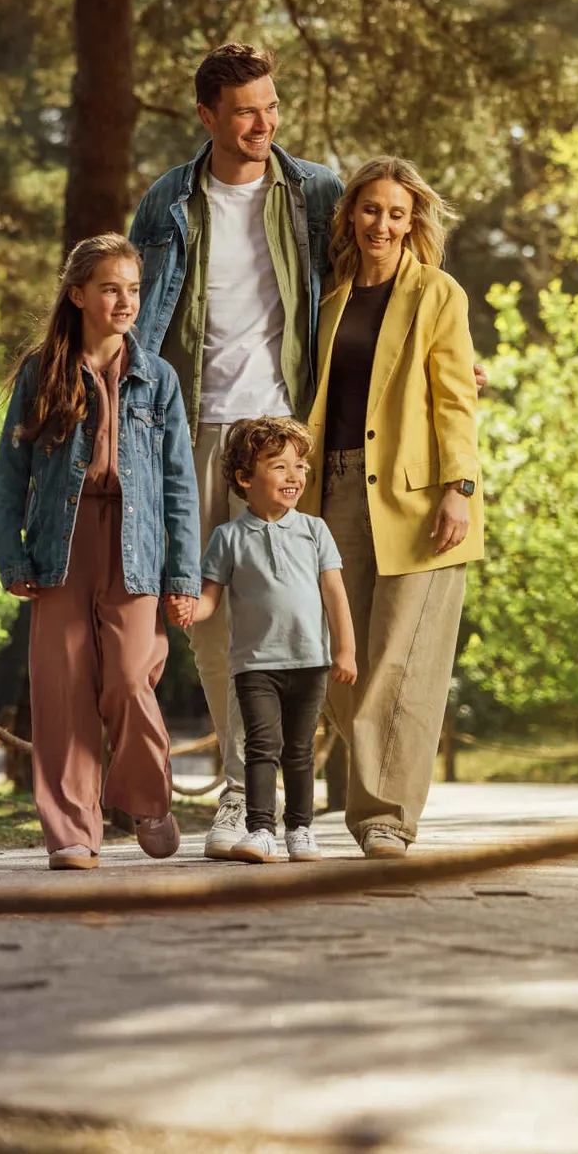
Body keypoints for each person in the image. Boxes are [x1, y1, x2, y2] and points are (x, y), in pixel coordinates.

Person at [127, 44, 345, 858]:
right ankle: (238, 800)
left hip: (287, 427)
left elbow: (379, 275)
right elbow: (134, 316)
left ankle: (288, 803)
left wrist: (448, 348)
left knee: (297, 619)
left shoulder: (316, 191)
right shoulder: (168, 202)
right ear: (208, 116)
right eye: (247, 110)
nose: (265, 123)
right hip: (194, 432)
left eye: (272, 105)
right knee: (211, 626)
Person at [0, 233, 203, 870]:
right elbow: (10, 474)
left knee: (132, 678)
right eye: (111, 288)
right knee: (62, 689)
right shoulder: (41, 373)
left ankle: (146, 796)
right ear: (78, 295)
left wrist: (183, 574)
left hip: (135, 546)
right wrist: (11, 555)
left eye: (133, 289)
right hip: (60, 545)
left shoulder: (156, 378)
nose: (125, 301)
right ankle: (73, 833)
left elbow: (178, 485)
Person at [300, 158, 484, 859]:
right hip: (334, 490)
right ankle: (375, 792)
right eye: (371, 209)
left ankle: (386, 817)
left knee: (403, 661)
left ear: (414, 224)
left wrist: (458, 489)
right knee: (340, 660)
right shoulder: (329, 298)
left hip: (418, 497)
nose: (382, 223)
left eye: (397, 214)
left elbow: (454, 400)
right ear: (350, 215)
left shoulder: (438, 294)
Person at [183, 417, 357, 863]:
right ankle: (261, 830)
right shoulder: (227, 538)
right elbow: (209, 600)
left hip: (309, 662)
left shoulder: (315, 530)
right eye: (279, 467)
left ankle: (300, 829)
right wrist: (188, 610)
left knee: (300, 751)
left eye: (300, 466)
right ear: (245, 478)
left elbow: (335, 592)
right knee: (260, 748)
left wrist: (345, 650)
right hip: (255, 665)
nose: (295, 476)